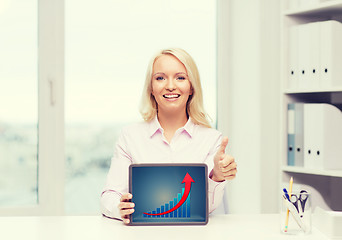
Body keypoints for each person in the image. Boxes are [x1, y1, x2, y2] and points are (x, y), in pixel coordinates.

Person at [101, 48, 237, 224]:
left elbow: (206, 208)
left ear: (191, 87)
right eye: (160, 78)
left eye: (180, 77)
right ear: (151, 88)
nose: (170, 85)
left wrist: (217, 176)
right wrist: (119, 208)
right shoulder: (130, 136)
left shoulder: (212, 139)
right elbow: (109, 195)